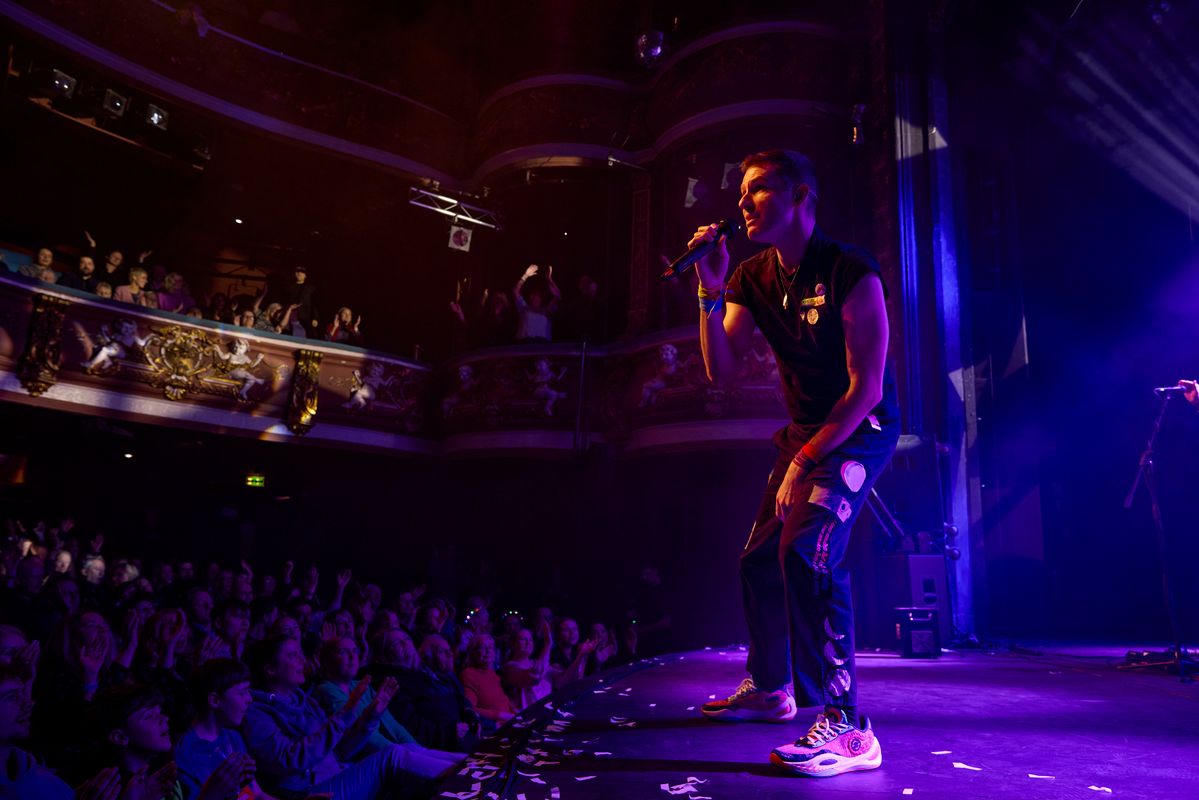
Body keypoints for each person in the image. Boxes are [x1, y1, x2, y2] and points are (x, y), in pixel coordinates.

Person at [691, 149, 899, 778]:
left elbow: (868, 390)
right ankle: (771, 686)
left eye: (757, 190)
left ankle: (847, 725)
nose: (743, 202)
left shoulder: (850, 270)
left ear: (801, 196)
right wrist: (710, 289)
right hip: (806, 435)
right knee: (758, 557)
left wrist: (800, 462)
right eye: (742, 192)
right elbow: (718, 370)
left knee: (807, 552)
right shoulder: (753, 277)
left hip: (858, 431)